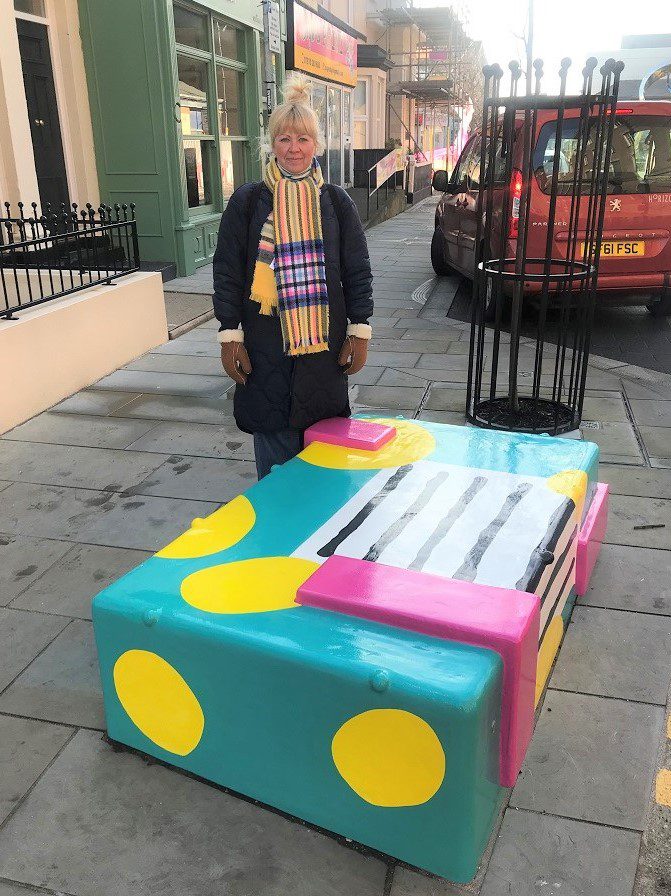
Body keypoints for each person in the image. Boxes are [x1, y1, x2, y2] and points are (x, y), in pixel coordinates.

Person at [212, 75, 374, 479]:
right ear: (273, 144)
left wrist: (359, 329)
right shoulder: (248, 201)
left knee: (322, 457)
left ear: (315, 144)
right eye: (284, 139)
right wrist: (229, 334)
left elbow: (357, 270)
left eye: (302, 139)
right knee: (275, 462)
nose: (294, 149)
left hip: (323, 340)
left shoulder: (335, 202)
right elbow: (228, 270)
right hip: (265, 338)